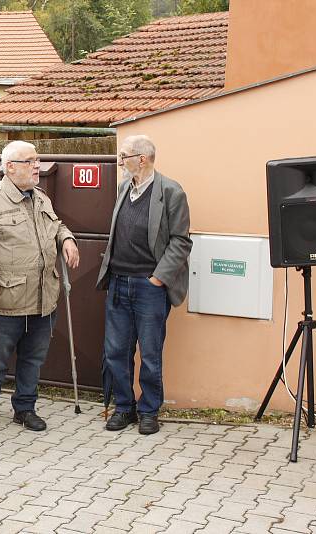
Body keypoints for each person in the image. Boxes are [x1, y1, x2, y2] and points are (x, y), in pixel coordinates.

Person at [0, 140, 79, 434]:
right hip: (6, 298)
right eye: (30, 161)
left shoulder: (40, 198)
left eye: (37, 160)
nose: (37, 166)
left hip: (43, 298)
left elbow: (57, 225)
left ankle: (25, 409)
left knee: (33, 360)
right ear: (11, 167)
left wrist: (66, 239)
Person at [97, 135, 192, 435]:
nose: (120, 161)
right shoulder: (124, 187)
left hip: (149, 285)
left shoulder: (171, 192)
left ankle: (149, 410)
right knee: (116, 350)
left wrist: (158, 278)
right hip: (119, 282)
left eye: (124, 156)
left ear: (142, 158)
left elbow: (181, 241)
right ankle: (124, 408)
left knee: (150, 352)